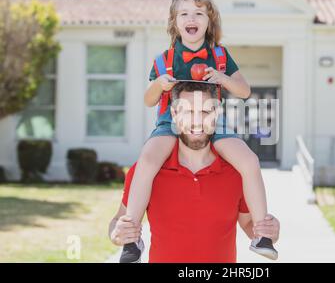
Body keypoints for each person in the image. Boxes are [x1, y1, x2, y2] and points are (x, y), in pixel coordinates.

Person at [122, 0, 277, 262]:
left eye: (198, 13)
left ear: (209, 21)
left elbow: (244, 91)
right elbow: (148, 100)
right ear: (174, 22)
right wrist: (159, 84)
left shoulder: (219, 55)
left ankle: (263, 234)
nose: (191, 19)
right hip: (171, 120)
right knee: (146, 161)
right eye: (184, 14)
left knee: (249, 160)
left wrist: (223, 78)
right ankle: (131, 239)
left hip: (212, 120)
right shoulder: (163, 59)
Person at [109, 82, 280, 263]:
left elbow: (248, 224)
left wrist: (268, 231)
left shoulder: (238, 172)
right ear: (173, 114)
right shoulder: (147, 170)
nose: (197, 121)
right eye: (187, 112)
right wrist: (117, 234)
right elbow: (118, 221)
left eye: (205, 111)